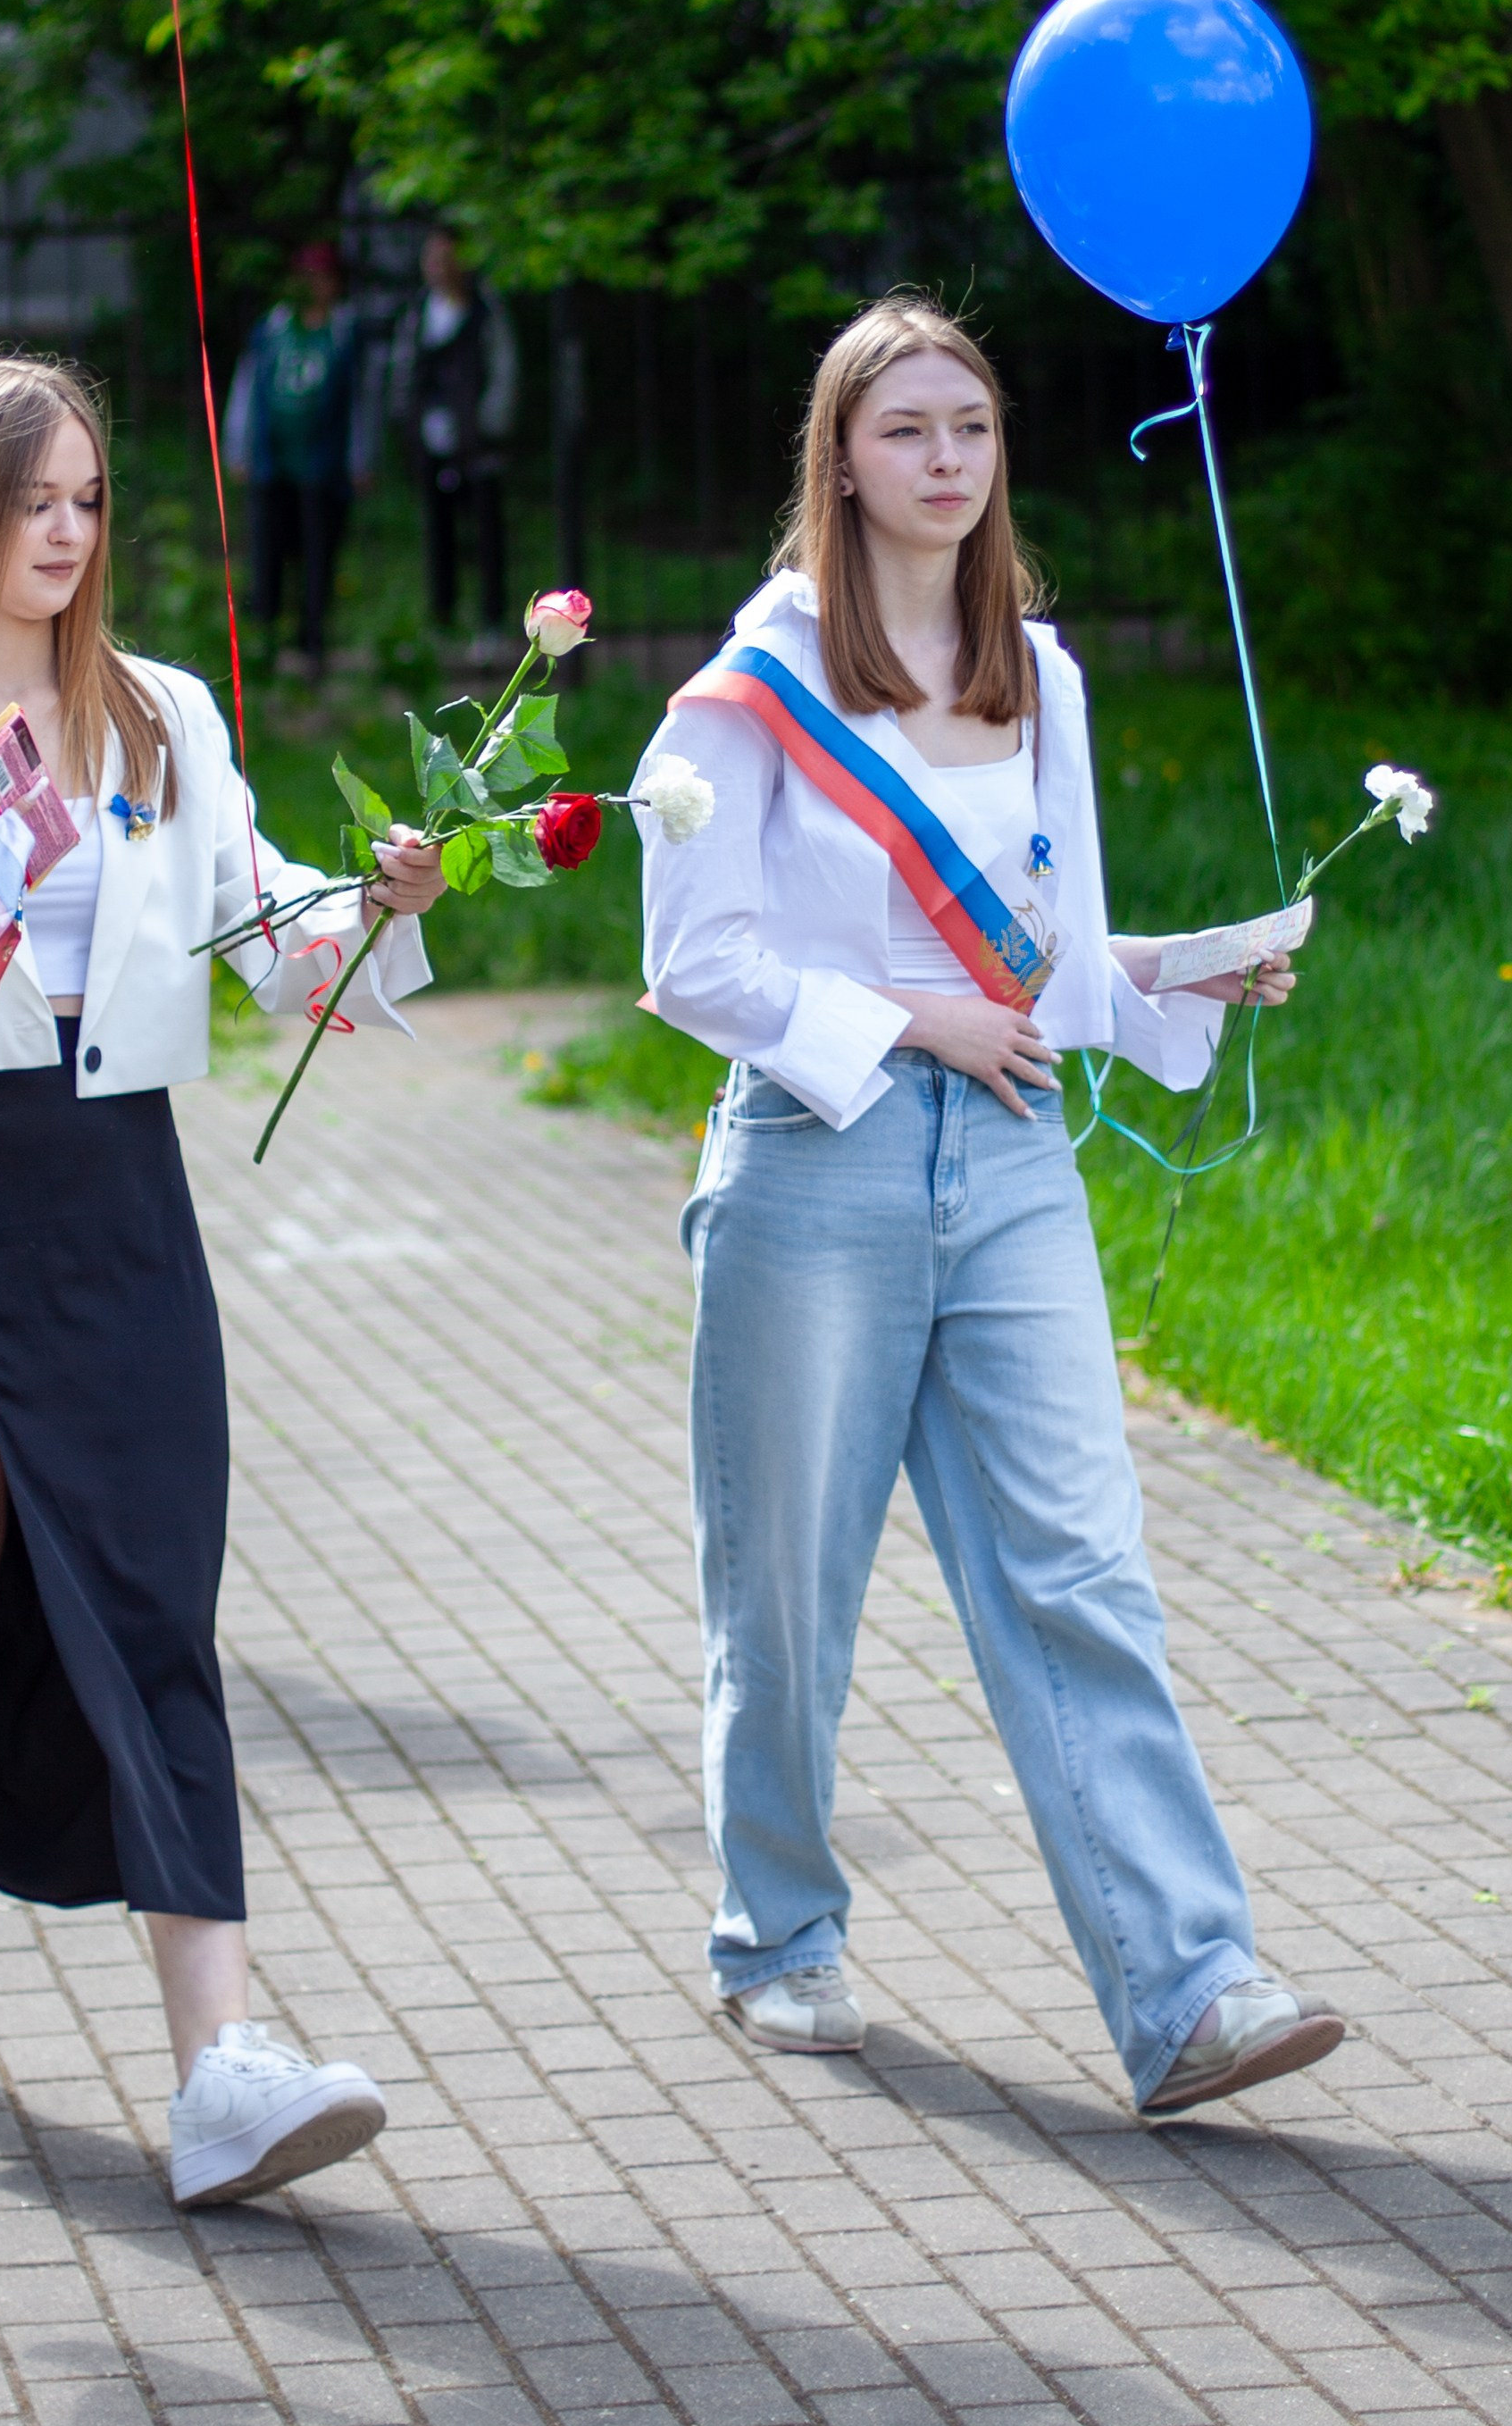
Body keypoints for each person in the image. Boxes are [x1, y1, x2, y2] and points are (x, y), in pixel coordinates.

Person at [637, 292, 1341, 2121]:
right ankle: (776, 1937)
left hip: (1012, 1158)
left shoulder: (1046, 673)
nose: (942, 460)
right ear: (840, 461)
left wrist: (1187, 970)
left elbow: (1048, 962)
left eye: (967, 427)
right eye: (903, 432)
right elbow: (688, 961)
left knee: (1078, 1573)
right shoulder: (743, 688)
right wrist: (902, 1020)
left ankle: (1187, 1987)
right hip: (815, 1162)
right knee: (786, 1589)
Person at [0, 356, 448, 2199]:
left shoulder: (153, 714)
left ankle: (220, 2062)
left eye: (83, 501)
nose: (62, 534)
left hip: (111, 1194)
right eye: (26, 499)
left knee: (148, 1599)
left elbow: (259, 923)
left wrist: (363, 912)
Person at [222, 240, 371, 676]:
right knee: (268, 555)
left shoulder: (344, 332)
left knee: (319, 555)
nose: (312, 285)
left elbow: (363, 401)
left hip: (324, 466)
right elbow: (247, 388)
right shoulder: (273, 327)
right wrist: (239, 447)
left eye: (321, 277)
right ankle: (263, 647)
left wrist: (361, 459)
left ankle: (312, 646)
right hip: (274, 465)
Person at [387, 228, 516, 648]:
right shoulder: (419, 313)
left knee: (485, 535)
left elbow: (502, 370)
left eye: (447, 258)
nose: (439, 267)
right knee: (437, 534)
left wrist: (487, 426)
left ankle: (490, 624)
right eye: (432, 258)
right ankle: (441, 622)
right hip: (432, 442)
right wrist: (409, 421)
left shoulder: (484, 310)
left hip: (477, 445)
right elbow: (405, 370)